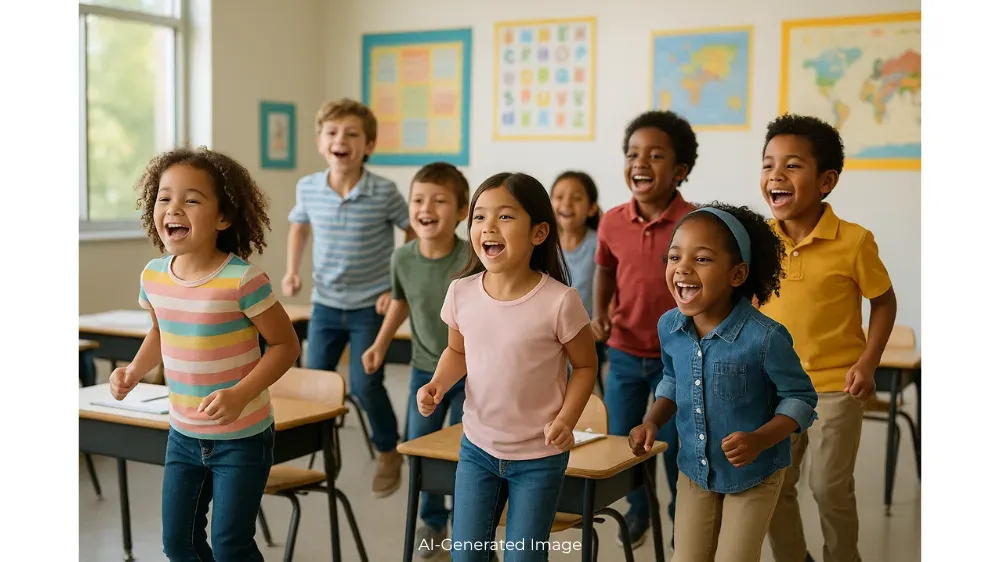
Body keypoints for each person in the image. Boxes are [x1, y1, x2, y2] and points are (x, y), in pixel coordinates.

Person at [110, 147, 300, 561]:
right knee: (179, 544)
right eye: (164, 198)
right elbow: (161, 333)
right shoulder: (154, 275)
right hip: (182, 436)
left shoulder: (243, 280)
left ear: (223, 217)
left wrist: (240, 393)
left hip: (243, 438)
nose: (174, 207)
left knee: (231, 546)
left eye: (191, 199)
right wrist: (134, 371)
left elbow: (286, 346)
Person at [416, 172, 598, 562]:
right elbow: (457, 352)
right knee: (466, 555)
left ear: (538, 232)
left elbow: (585, 366)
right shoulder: (461, 292)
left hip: (539, 456)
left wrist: (567, 419)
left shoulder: (560, 301)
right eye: (479, 217)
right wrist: (437, 384)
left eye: (505, 217)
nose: (488, 227)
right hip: (477, 449)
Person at [629, 202, 817, 562]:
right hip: (695, 470)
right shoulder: (670, 327)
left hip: (754, 474)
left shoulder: (766, 338)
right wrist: (652, 420)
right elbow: (672, 380)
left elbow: (800, 399)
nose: (682, 268)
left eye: (701, 259)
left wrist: (759, 440)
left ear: (737, 274)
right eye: (674, 257)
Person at [759, 114, 897, 562]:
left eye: (792, 166)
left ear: (827, 180)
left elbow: (884, 302)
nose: (776, 175)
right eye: (768, 164)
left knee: (829, 487)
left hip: (836, 388)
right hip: (775, 390)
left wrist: (868, 363)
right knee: (776, 486)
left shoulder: (854, 242)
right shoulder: (758, 241)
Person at [283, 98, 415, 497]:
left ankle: (389, 449)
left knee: (364, 381)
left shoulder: (384, 191)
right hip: (325, 303)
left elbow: (411, 230)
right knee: (316, 378)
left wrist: (396, 285)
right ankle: (323, 448)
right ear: (320, 141)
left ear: (368, 145)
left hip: (369, 306)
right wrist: (292, 270)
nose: (341, 139)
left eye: (352, 134)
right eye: (333, 132)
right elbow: (299, 228)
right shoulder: (308, 187)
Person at [591, 110, 698, 546]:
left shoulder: (695, 222)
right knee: (624, 441)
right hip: (622, 353)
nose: (641, 162)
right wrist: (600, 312)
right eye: (633, 153)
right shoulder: (612, 220)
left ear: (679, 171)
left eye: (655, 155)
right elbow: (604, 270)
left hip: (677, 359)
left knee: (673, 444)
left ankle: (681, 517)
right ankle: (639, 509)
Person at [361, 162, 470, 558]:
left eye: (440, 201)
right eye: (419, 200)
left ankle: (469, 522)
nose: (427, 208)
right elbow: (400, 302)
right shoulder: (402, 257)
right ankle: (433, 520)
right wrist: (379, 344)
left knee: (464, 451)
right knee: (421, 446)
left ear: (461, 212)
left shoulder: (472, 257)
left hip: (472, 373)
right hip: (425, 369)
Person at [550, 171, 607, 379]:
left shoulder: (599, 244)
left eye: (577, 198)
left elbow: (611, 289)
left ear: (591, 208)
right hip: (550, 335)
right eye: (559, 197)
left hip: (588, 335)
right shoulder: (542, 245)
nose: (566, 203)